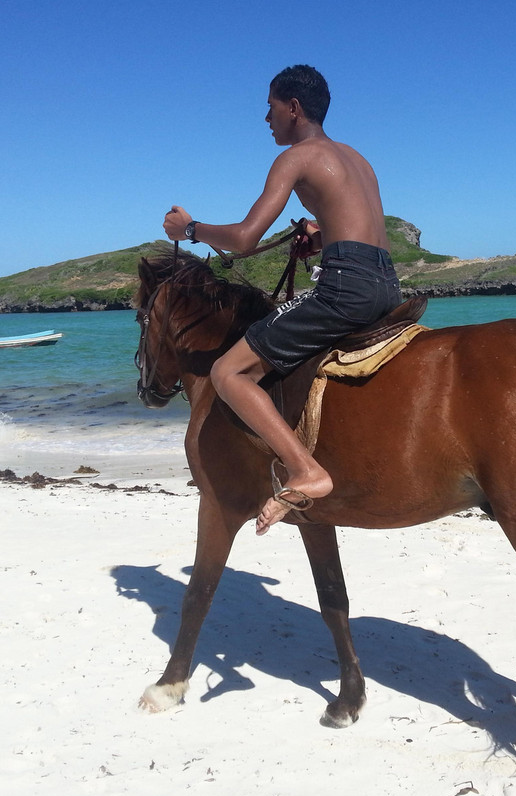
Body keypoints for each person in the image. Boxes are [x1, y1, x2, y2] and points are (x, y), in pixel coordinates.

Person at [163, 65, 402, 535]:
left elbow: (247, 238)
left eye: (270, 107)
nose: (266, 118)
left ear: (293, 108)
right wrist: (319, 238)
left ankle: (304, 469)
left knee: (227, 372)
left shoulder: (297, 156)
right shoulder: (357, 159)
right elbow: (357, 227)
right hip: (386, 284)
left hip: (345, 288)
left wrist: (189, 230)